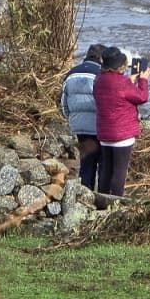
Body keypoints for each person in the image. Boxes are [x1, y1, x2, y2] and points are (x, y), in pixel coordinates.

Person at [92, 46, 150, 198]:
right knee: (119, 170)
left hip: (104, 133)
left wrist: (129, 81)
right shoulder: (122, 83)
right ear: (119, 66)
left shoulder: (98, 80)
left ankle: (102, 200)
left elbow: (115, 91)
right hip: (122, 134)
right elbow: (142, 97)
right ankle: (115, 201)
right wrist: (143, 80)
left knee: (106, 169)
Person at [60, 43, 107, 189]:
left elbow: (63, 103)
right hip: (97, 125)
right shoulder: (101, 74)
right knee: (103, 162)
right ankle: (100, 195)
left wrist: (71, 118)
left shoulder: (71, 73)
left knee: (86, 161)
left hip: (78, 125)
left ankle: (85, 193)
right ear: (102, 59)